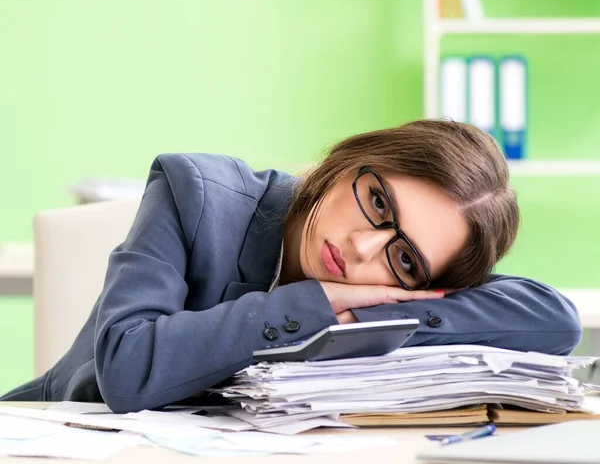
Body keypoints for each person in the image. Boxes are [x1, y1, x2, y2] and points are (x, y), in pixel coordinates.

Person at [1, 119, 581, 413]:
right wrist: (317, 307)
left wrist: (386, 315)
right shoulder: (193, 191)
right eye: (377, 202)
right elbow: (127, 368)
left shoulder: (396, 287)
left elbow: (555, 322)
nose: (362, 249)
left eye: (404, 258)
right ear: (353, 159)